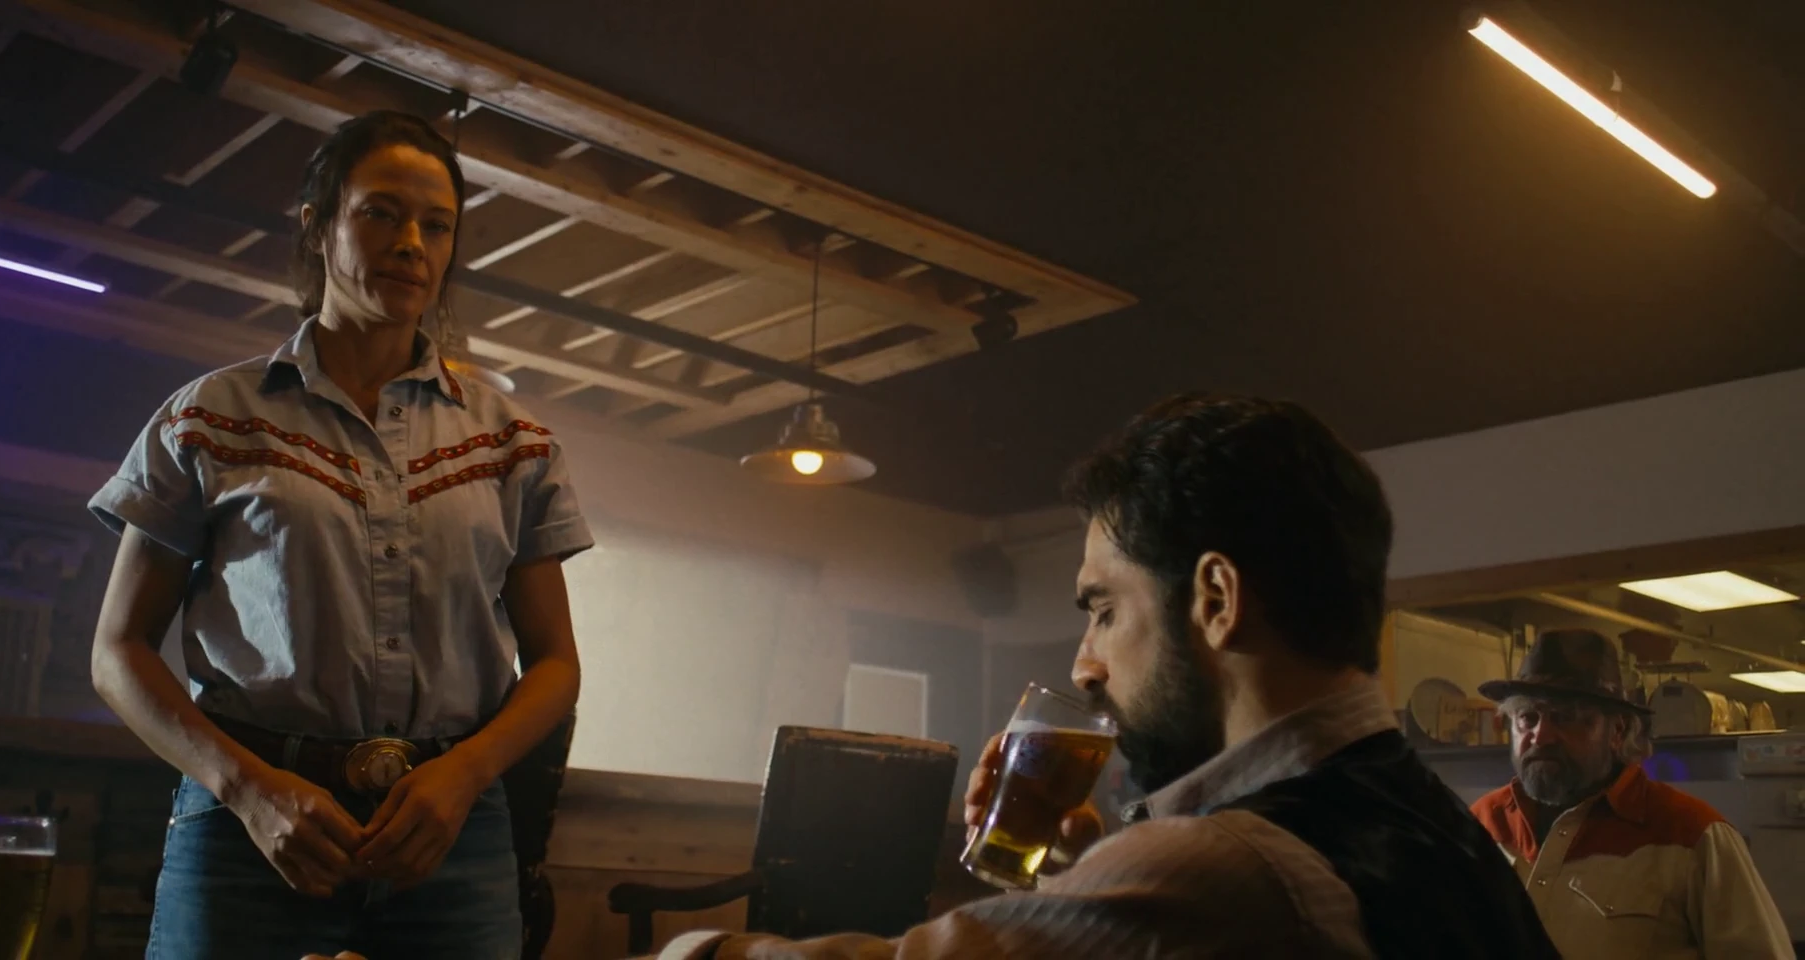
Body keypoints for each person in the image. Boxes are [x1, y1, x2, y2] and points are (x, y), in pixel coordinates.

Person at [647, 393, 1558, 958]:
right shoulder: (1438, 829)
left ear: (1215, 599)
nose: (1084, 666)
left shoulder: (1235, 865)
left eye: (1104, 609)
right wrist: (1084, 877)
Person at [88, 111, 592, 958]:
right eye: (380, 213)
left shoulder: (514, 443)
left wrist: (465, 775)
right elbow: (117, 651)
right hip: (250, 831)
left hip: (450, 833)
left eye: (437, 225)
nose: (411, 243)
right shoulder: (209, 418)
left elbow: (556, 666)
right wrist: (248, 790)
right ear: (318, 225)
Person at [1471, 629, 1794, 959]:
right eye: (1527, 718)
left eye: (1565, 718)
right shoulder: (1479, 824)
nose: (1541, 737)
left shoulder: (1693, 835)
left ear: (1618, 730)